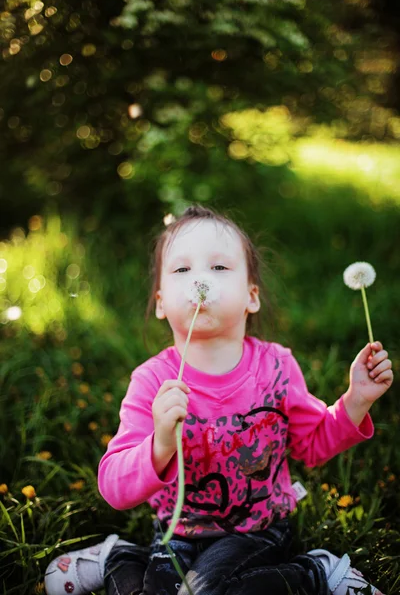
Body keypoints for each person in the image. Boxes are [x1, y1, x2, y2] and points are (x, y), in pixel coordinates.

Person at [45, 204, 393, 595]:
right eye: (181, 270)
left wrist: (355, 401)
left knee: (206, 592)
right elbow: (113, 487)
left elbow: (311, 445)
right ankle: (119, 558)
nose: (199, 280)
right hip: (177, 532)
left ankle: (315, 572)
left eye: (219, 268)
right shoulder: (153, 381)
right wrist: (159, 443)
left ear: (252, 296)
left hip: (259, 530)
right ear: (161, 303)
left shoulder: (275, 367)